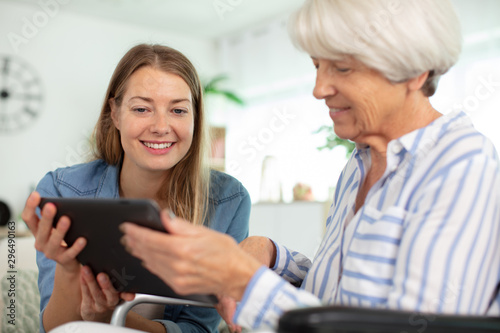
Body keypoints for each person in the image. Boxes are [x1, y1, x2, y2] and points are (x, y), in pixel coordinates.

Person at [117, 0, 500, 331]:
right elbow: (343, 296)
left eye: (342, 69)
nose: (319, 88)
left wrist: (244, 280)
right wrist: (271, 255)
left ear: (415, 69)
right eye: (317, 66)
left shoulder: (461, 165)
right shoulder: (361, 163)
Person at [21, 44, 251, 333]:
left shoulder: (230, 200)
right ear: (115, 114)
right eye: (142, 109)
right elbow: (53, 328)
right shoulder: (61, 190)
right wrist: (69, 271)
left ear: (195, 118)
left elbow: (198, 329)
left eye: (178, 110)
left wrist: (114, 318)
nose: (160, 126)